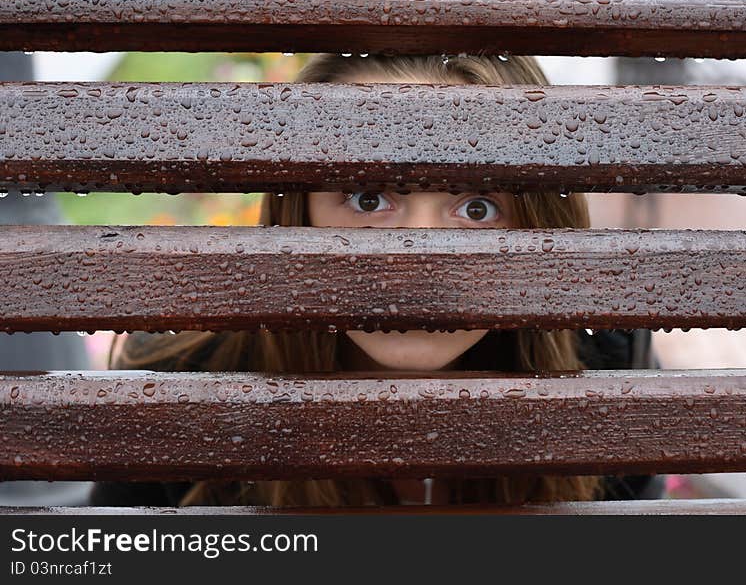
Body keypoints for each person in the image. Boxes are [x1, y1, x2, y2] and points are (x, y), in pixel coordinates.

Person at [89, 53, 666, 507]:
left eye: (477, 208)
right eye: (369, 199)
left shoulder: (609, 363)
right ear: (299, 216)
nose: (416, 263)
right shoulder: (178, 387)